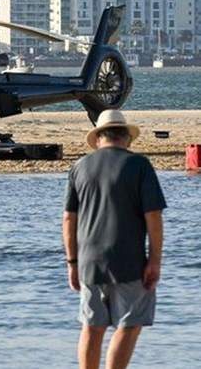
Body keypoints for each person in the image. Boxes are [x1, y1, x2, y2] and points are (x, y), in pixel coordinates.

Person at [63, 110, 166, 369]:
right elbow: (153, 215)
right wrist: (155, 260)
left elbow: (68, 219)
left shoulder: (79, 167)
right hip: (129, 259)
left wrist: (72, 263)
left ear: (99, 139)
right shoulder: (139, 165)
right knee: (130, 323)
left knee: (91, 326)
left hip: (88, 261)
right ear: (127, 139)